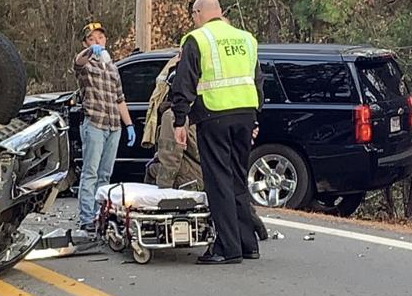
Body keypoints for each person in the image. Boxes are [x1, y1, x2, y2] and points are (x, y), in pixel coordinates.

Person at [170, 0, 264, 264]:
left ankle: (227, 247)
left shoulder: (197, 39)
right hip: (245, 114)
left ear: (199, 13)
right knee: (237, 177)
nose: (193, 20)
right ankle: (248, 243)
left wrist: (180, 120)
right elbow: (258, 81)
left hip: (214, 114)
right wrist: (256, 118)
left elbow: (184, 82)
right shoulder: (247, 39)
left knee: (218, 179)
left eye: (193, 15)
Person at [143, 51, 269, 241]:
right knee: (233, 186)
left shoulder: (173, 116)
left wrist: (162, 194)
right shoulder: (208, 110)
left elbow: (171, 159)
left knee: (153, 169)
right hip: (217, 169)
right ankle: (250, 222)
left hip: (195, 177)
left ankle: (157, 224)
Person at [73, 21, 136, 233]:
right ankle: (86, 218)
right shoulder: (86, 66)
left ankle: (102, 215)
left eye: (99, 38)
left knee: (105, 174)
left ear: (105, 40)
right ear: (85, 43)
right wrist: (90, 51)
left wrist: (129, 125)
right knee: (90, 172)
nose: (97, 41)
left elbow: (120, 99)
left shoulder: (112, 67)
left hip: (113, 125)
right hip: (95, 123)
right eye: (91, 39)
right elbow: (77, 62)